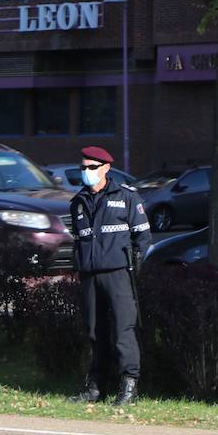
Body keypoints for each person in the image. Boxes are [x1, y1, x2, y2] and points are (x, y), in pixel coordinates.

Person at [68, 146, 152, 406]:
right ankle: (95, 387)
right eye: (83, 167)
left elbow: (143, 238)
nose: (86, 172)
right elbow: (79, 241)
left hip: (118, 274)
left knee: (122, 331)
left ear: (105, 169)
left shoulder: (127, 197)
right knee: (94, 332)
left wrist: (131, 269)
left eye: (92, 167)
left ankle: (129, 387)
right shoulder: (78, 202)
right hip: (90, 276)